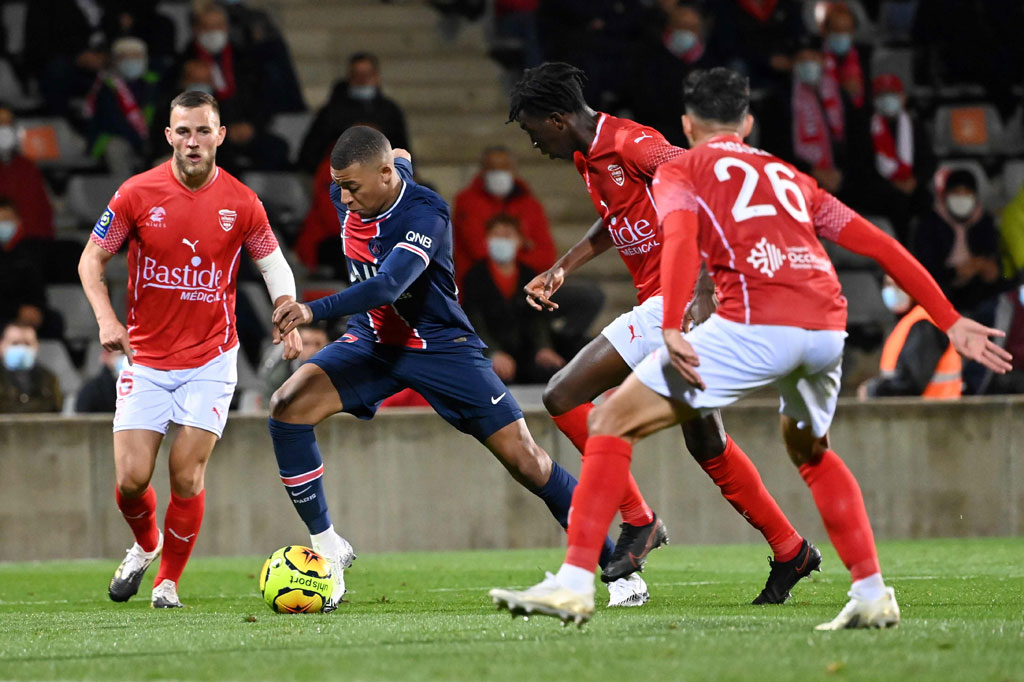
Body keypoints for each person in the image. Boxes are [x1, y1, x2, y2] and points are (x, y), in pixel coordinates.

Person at [490, 67, 1012, 628]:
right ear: (750, 122)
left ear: (688, 126)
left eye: (532, 130)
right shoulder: (789, 177)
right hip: (824, 325)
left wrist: (678, 312)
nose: (535, 141)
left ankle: (601, 558)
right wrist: (950, 319)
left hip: (728, 315)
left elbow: (685, 228)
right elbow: (879, 243)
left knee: (592, 409)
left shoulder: (667, 158)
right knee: (781, 448)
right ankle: (831, 570)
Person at [267, 126, 650, 612]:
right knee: (287, 407)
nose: (342, 198)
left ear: (386, 177)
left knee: (528, 461)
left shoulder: (425, 213)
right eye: (339, 186)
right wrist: (391, 159)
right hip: (373, 340)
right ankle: (328, 548)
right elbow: (399, 155)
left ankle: (621, 572)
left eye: (352, 188)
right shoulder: (365, 183)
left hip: (440, 347)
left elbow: (388, 285)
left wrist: (310, 310)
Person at [506, 61, 818, 603]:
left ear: (556, 119)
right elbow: (620, 216)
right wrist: (564, 266)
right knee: (706, 440)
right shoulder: (588, 156)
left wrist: (699, 290)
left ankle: (639, 519)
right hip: (672, 307)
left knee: (564, 394)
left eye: (532, 130)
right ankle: (791, 550)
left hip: (674, 308)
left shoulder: (631, 143)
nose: (533, 143)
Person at [78, 91, 303, 610]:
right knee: (132, 481)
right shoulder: (136, 193)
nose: (194, 141)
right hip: (146, 359)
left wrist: (287, 311)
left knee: (186, 472)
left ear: (220, 135)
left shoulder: (243, 202)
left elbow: (273, 264)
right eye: (184, 131)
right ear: (169, 136)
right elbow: (91, 261)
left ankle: (167, 583)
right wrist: (106, 319)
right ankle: (146, 544)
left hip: (210, 358)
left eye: (204, 130)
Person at [461, 214, 565, 383]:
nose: (502, 240)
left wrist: (543, 347)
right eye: (497, 235)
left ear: (519, 241)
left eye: (507, 235)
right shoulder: (474, 277)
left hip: (526, 353)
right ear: (487, 240)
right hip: (491, 353)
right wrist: (492, 352)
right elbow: (474, 320)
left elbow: (537, 318)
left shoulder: (529, 276)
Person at [451, 145, 556, 284]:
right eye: (492, 167)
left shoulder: (530, 205)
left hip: (523, 286)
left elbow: (547, 256)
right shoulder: (467, 202)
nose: (498, 172)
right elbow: (477, 250)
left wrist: (504, 252)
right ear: (483, 170)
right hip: (474, 288)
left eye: (504, 167)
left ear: (514, 170)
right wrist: (523, 246)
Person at [912, 169, 1005, 321]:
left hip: (978, 291)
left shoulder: (985, 222)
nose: (961, 199)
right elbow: (924, 269)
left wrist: (989, 270)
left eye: (966, 193)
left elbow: (998, 265)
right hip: (942, 290)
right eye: (956, 193)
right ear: (945, 195)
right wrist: (956, 272)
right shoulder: (929, 224)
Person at [297, 53, 410, 174]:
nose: (362, 80)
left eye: (367, 75)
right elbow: (311, 152)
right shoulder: (332, 111)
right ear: (349, 78)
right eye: (357, 75)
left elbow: (402, 149)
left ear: (376, 77)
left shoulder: (390, 111)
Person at [858, 277, 962, 399]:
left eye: (899, 284)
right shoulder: (908, 322)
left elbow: (911, 382)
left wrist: (874, 390)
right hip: (922, 413)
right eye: (888, 284)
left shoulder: (924, 324)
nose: (893, 290)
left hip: (930, 413)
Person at [83, 37, 162, 171]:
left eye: (136, 56)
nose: (131, 61)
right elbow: (111, 122)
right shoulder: (105, 86)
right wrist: (138, 141)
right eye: (125, 57)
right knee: (116, 148)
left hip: (151, 138)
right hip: (119, 137)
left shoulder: (154, 83)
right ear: (115, 60)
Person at [0, 107, 54, 246]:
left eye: (8, 124)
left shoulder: (27, 167)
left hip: (31, 246)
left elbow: (42, 212)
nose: (4, 130)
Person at [259, 323, 329, 404]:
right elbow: (268, 398)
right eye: (306, 344)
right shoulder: (280, 370)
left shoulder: (334, 368)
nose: (312, 350)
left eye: (318, 344)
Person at [0, 322, 62, 414]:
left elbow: (56, 410)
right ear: (2, 345)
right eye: (15, 343)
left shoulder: (49, 378)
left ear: (36, 346)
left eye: (27, 344)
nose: (21, 348)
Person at [76, 349, 127, 413]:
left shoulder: (140, 386)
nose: (126, 358)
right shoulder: (91, 390)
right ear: (106, 357)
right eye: (122, 354)